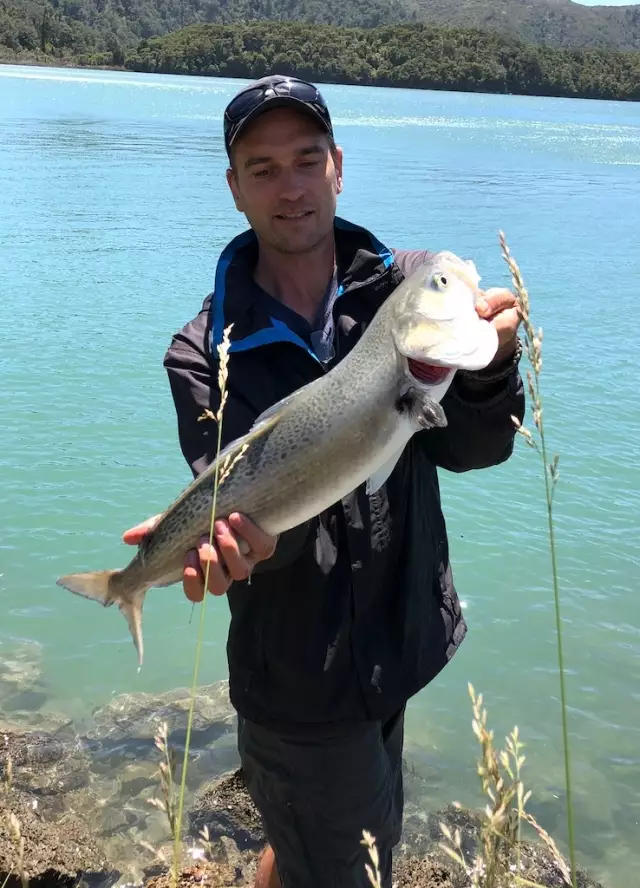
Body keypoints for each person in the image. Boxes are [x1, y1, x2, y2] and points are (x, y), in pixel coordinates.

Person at [123, 75, 525, 888]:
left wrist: (491, 371)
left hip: (399, 643)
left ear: (339, 166)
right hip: (298, 678)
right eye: (262, 168)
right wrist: (232, 550)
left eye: (307, 160)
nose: (291, 187)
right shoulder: (204, 354)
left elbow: (476, 452)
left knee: (313, 848)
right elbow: (247, 521)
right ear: (234, 187)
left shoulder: (405, 286)